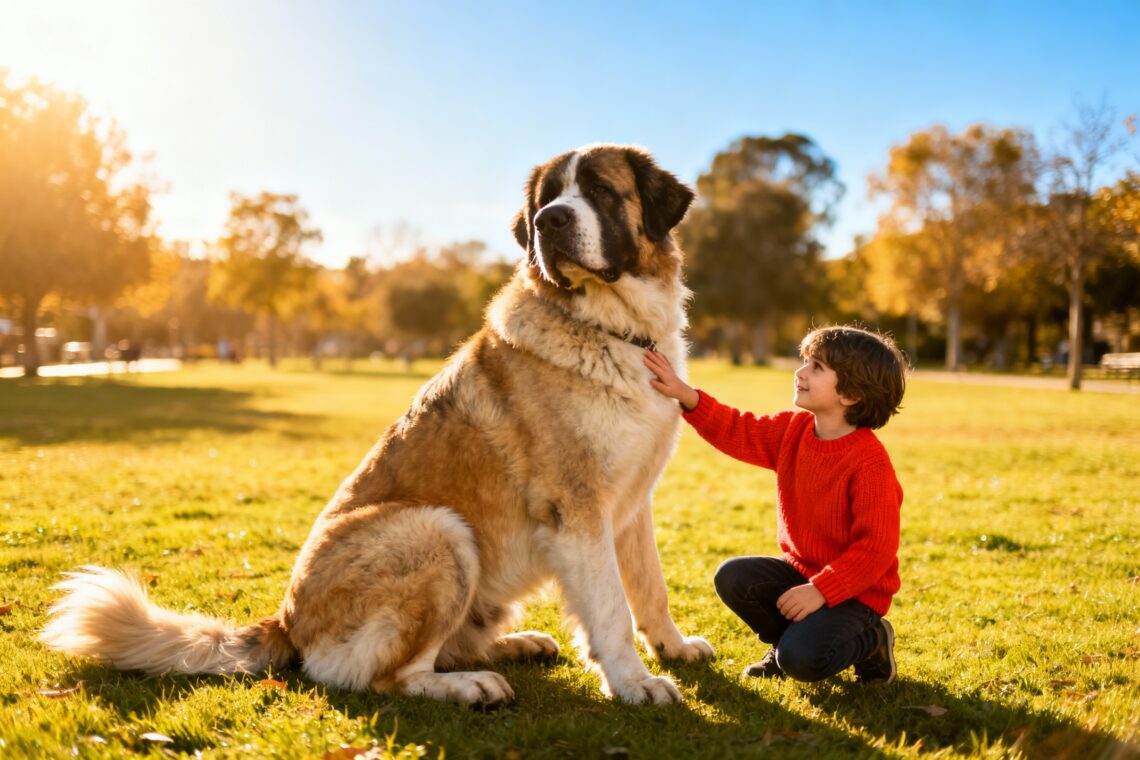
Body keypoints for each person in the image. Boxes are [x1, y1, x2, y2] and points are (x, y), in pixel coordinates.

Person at [642, 326, 908, 684]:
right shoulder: (792, 431)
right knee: (734, 576)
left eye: (817, 367)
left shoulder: (869, 464)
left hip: (856, 594)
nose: (800, 372)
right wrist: (686, 395)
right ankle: (782, 641)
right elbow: (739, 430)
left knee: (801, 661)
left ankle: (873, 640)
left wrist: (821, 590)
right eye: (805, 362)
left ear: (851, 394)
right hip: (803, 575)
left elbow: (876, 551)